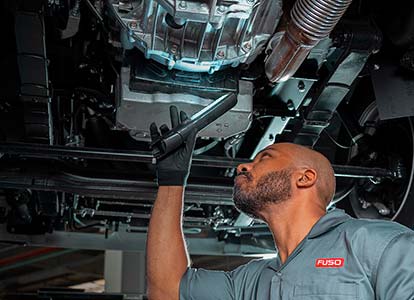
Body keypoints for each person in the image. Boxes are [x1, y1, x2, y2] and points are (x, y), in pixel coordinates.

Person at [146, 108, 414, 300]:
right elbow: (166, 289)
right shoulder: (250, 280)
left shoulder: (375, 243)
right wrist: (172, 179)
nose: (242, 166)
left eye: (265, 157)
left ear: (305, 178)